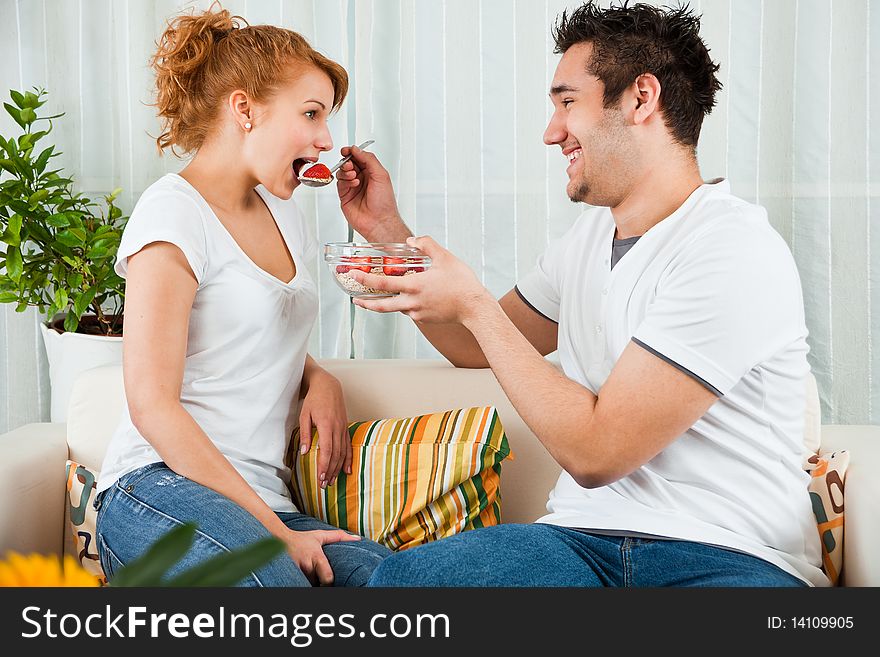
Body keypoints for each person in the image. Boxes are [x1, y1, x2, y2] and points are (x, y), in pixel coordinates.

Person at [334, 2, 827, 587]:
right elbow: (473, 346)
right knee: (403, 589)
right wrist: (390, 234)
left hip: (727, 551)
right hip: (577, 542)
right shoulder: (588, 238)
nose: (551, 132)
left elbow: (598, 453)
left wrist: (474, 304)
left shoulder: (733, 248)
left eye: (568, 102)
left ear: (641, 98)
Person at [94, 6, 391, 587]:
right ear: (244, 109)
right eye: (310, 114)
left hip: (262, 502)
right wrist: (277, 536)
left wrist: (318, 377)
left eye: (327, 118)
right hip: (157, 489)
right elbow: (152, 404)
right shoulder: (172, 211)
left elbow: (236, 334)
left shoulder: (287, 214)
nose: (326, 139)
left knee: (401, 588)